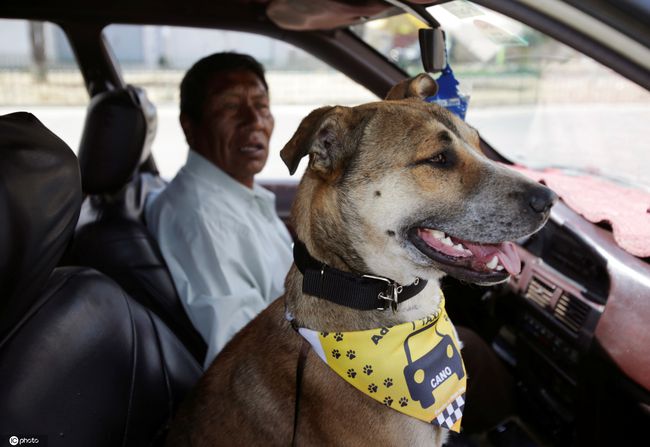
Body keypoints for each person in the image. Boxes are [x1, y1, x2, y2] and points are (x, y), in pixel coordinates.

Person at [146, 52, 293, 368]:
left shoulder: (236, 195)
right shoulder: (203, 217)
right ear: (190, 127)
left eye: (262, 106)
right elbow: (245, 352)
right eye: (229, 107)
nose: (254, 121)